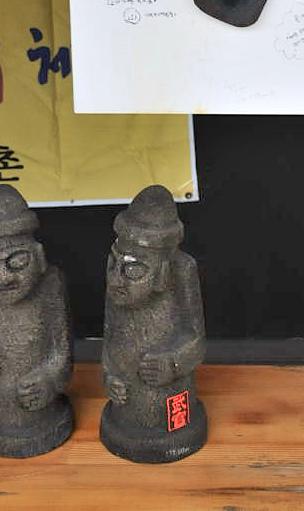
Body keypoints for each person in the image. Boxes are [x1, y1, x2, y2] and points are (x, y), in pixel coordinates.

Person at [100, 184, 207, 462]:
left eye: (133, 269)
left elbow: (197, 342)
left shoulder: (181, 270)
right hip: (126, 402)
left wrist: (173, 363)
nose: (117, 279)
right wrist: (109, 377)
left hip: (169, 393)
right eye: (113, 263)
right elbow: (109, 338)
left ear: (162, 273)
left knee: (168, 411)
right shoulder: (118, 286)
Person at [0, 184, 73, 457]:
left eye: (16, 262)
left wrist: (49, 380)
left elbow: (62, 352)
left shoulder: (50, 285)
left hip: (40, 407)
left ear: (38, 257)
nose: (1, 277)